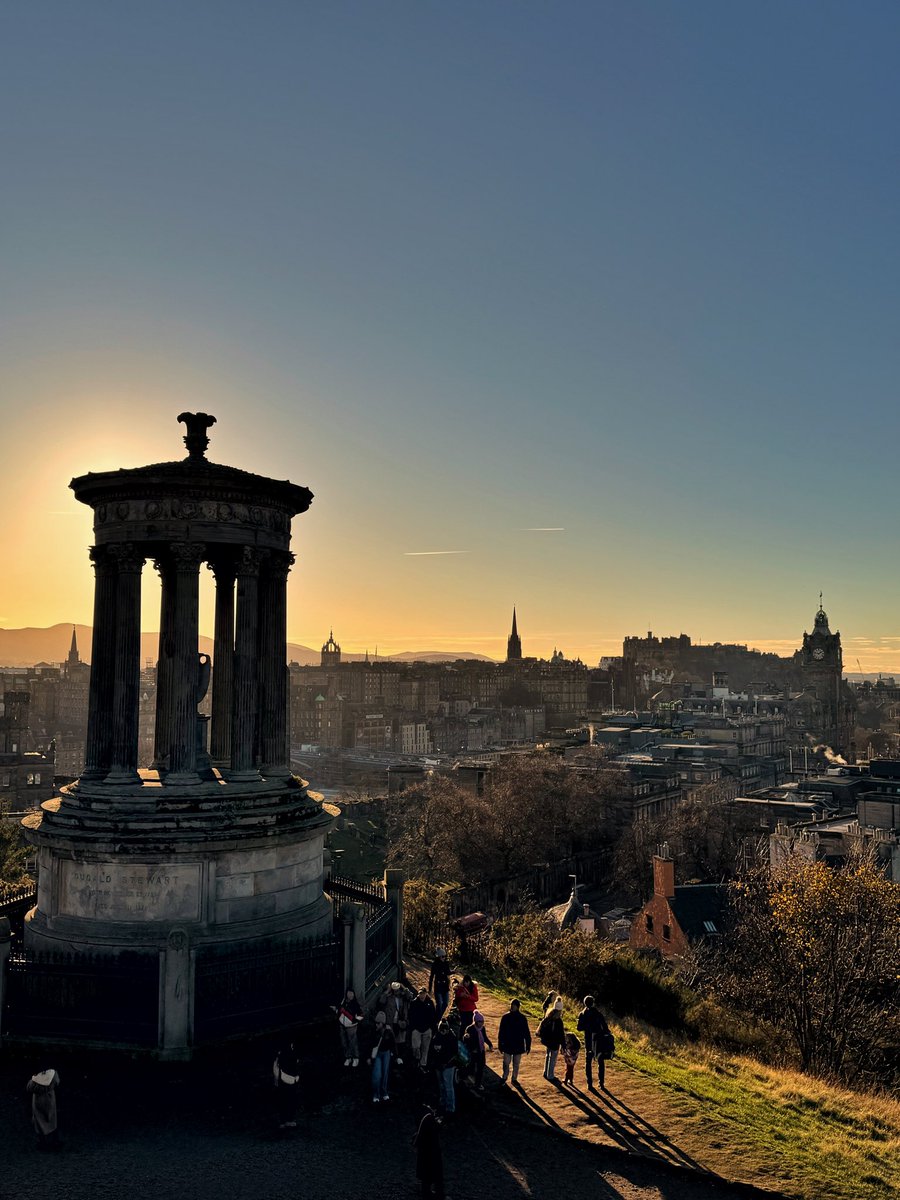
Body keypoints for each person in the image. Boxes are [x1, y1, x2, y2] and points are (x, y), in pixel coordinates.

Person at [577, 994, 612, 1091]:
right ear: (593, 1003)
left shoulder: (582, 1014)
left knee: (588, 1062)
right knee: (600, 1061)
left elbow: (579, 1028)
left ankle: (589, 1084)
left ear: (585, 1003)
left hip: (588, 1040)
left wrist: (587, 1027)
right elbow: (605, 1027)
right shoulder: (598, 1014)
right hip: (598, 1040)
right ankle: (601, 1083)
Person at [413, 1106, 445, 1199]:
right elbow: (434, 1131)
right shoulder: (429, 1118)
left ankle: (425, 1192)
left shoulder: (422, 1115)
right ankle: (436, 1194)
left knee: (425, 1174)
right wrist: (439, 1124)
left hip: (424, 1150)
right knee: (434, 1172)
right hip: (431, 1150)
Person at [497, 998, 531, 1086]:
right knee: (506, 1062)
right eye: (512, 1005)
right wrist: (500, 1044)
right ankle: (504, 1076)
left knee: (516, 1064)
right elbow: (501, 1032)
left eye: (514, 1005)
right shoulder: (505, 1017)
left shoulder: (522, 1018)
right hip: (508, 1044)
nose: (512, 1007)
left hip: (518, 1045)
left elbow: (526, 1032)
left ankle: (514, 1079)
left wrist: (528, 1045)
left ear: (518, 1007)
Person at [430, 1020, 459, 1116]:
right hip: (439, 1065)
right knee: (442, 1085)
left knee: (448, 1087)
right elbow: (433, 1052)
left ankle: (450, 1108)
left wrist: (446, 1063)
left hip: (448, 1066)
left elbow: (454, 1053)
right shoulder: (436, 1037)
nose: (443, 1032)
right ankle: (443, 1103)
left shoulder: (452, 1038)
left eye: (444, 1030)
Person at [26, 1069, 60, 1150]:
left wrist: (34, 1078)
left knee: (39, 1121)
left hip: (38, 1101)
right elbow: (57, 1082)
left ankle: (43, 1143)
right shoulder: (53, 1074)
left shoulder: (34, 1081)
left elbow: (29, 1088)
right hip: (50, 1099)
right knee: (51, 1119)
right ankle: (54, 1141)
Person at [383, 979, 413, 1065]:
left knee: (401, 1041)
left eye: (397, 989)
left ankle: (399, 1058)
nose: (396, 991)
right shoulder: (388, 997)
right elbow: (381, 1001)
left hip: (401, 1021)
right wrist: (387, 991)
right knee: (391, 1040)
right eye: (394, 989)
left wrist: (404, 987)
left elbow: (410, 996)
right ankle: (393, 1058)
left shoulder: (403, 997)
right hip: (391, 1022)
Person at [272, 1040, 301, 1129]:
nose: (293, 1047)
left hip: (285, 1081)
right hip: (287, 1081)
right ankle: (286, 1121)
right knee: (288, 1101)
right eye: (291, 1046)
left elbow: (275, 1069)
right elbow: (276, 1069)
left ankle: (285, 1121)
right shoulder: (287, 1056)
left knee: (285, 1101)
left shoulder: (282, 1056)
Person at [462, 1010, 493, 1091]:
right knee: (470, 1068)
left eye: (483, 1021)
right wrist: (466, 1038)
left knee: (480, 1068)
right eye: (480, 1021)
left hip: (481, 1051)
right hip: (473, 1052)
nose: (482, 1023)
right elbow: (466, 1041)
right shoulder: (470, 1029)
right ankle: (466, 1081)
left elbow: (485, 1037)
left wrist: (490, 1044)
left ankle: (478, 1084)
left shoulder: (482, 1028)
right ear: (476, 1021)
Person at [370, 1010, 396, 1103]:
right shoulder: (373, 1031)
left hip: (386, 1053)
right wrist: (368, 1057)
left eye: (378, 1023)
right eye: (376, 1023)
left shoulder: (388, 1031)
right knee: (377, 1075)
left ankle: (384, 1092)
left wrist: (396, 1056)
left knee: (385, 1074)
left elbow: (393, 1044)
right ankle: (376, 1094)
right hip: (377, 1054)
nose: (376, 1025)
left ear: (383, 1023)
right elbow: (369, 1044)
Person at [409, 987, 438, 1070]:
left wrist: (432, 1028)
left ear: (426, 994)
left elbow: (433, 1017)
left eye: (423, 994)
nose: (422, 996)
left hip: (427, 1029)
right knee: (416, 1047)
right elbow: (411, 1016)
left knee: (425, 1049)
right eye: (420, 994)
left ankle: (423, 1065)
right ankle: (416, 1062)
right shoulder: (414, 1003)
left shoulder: (430, 1003)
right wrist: (413, 1028)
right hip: (416, 1029)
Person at [537, 998, 565, 1082]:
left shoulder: (548, 1016)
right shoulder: (559, 1021)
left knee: (548, 1056)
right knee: (553, 1058)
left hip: (547, 1041)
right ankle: (550, 1075)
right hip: (554, 1042)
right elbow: (561, 1034)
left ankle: (545, 1072)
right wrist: (563, 1045)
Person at [334, 987, 364, 1066]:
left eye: (351, 993)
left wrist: (354, 1021)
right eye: (348, 993)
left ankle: (356, 1057)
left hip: (351, 1026)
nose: (350, 995)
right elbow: (339, 1010)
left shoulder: (355, 1004)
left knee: (352, 1042)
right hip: (342, 1025)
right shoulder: (343, 1002)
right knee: (344, 1042)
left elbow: (360, 1015)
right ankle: (348, 1057)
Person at [428, 948, 452, 1020]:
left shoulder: (446, 963)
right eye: (442, 956)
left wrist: (453, 972)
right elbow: (431, 976)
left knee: (445, 1003)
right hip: (438, 986)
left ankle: (438, 1018)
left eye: (444, 956)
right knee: (439, 1004)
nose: (444, 958)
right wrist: (430, 988)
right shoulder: (435, 965)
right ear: (438, 957)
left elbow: (447, 972)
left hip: (445, 986)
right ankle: (436, 1019)